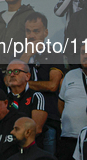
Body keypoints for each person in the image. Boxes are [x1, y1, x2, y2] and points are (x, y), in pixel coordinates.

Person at [18, 12, 64, 155]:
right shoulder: (20, 56)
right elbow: (11, 82)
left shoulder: (54, 54)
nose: (31, 35)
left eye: (36, 31)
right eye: (28, 31)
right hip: (21, 121)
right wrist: (26, 55)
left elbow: (52, 85)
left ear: (45, 32)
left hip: (48, 121)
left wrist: (24, 84)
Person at [4, 60, 47, 137]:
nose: (12, 75)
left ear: (27, 76)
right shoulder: (3, 98)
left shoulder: (36, 96)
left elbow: (36, 128)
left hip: (29, 144)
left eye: (16, 71)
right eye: (9, 72)